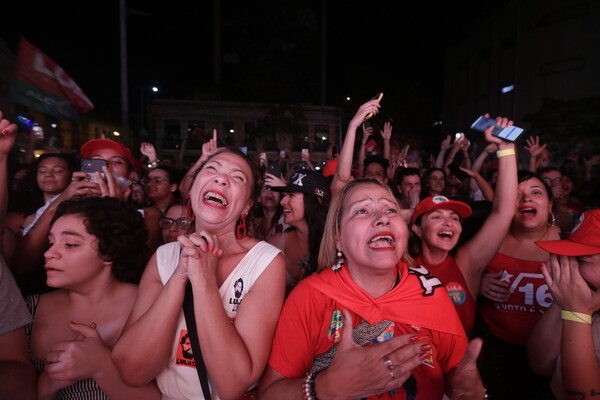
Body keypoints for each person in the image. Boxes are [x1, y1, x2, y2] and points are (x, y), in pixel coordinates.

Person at [259, 179, 485, 399]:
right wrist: (325, 388)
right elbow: (269, 394)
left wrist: (465, 387)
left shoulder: (431, 293)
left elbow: (457, 374)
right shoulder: (310, 296)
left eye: (391, 210)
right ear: (338, 238)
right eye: (362, 211)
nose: (382, 219)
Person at [112, 148, 286, 400]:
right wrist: (180, 275)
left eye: (237, 177)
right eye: (212, 170)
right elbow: (132, 371)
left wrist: (204, 283)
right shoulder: (163, 257)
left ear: (247, 205)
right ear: (191, 192)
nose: (221, 179)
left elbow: (232, 385)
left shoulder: (265, 263)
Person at [25, 196, 160, 399]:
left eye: (70, 244)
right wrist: (44, 389)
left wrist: (102, 368)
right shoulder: (28, 310)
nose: (49, 253)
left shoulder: (154, 307)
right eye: (51, 242)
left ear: (109, 253)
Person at [409, 115, 518, 336]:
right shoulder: (401, 266)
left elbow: (504, 212)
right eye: (436, 217)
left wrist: (506, 148)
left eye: (455, 218)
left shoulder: (466, 263)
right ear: (417, 229)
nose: (448, 222)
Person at [10, 138, 162, 293]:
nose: (105, 168)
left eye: (115, 162)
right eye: (97, 162)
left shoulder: (148, 215)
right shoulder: (63, 210)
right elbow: (22, 266)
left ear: (131, 176)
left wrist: (114, 209)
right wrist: (63, 198)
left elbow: (135, 270)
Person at [476, 170, 561, 399]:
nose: (527, 199)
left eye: (536, 192)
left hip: (552, 358)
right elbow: (455, 278)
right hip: (496, 353)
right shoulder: (488, 240)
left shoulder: (570, 244)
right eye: (517, 194)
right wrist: (476, 282)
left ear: (550, 203)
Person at [528, 209, 600, 399]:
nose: (568, 265)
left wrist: (577, 312)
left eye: (581, 260)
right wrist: (562, 302)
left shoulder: (582, 304)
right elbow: (541, 365)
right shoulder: (584, 296)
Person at [268, 169, 331, 293]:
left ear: (315, 202)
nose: (282, 202)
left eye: (291, 195)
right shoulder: (276, 244)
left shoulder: (335, 246)